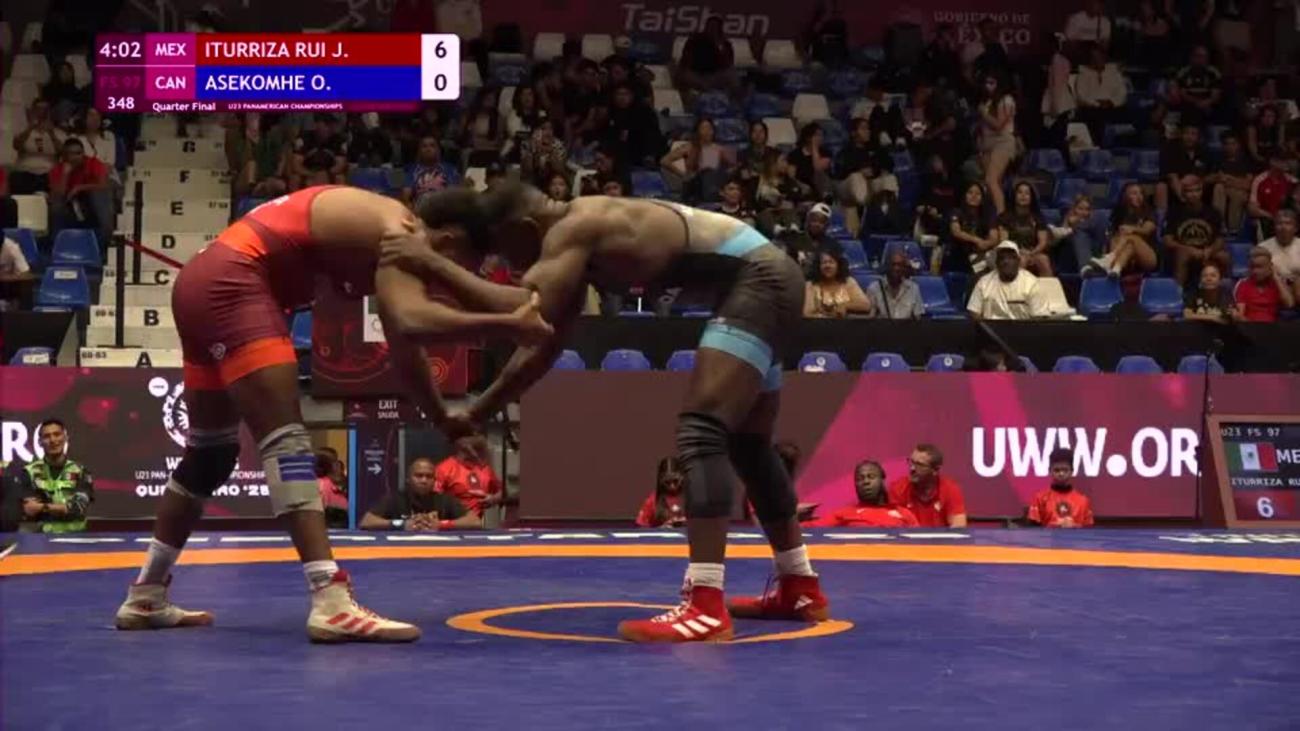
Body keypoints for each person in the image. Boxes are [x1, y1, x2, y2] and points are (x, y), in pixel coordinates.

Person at [114, 185, 552, 643]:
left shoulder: (392, 243)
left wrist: (443, 419)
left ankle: (146, 594)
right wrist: (506, 323)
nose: (450, 281)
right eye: (461, 265)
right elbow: (414, 322)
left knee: (211, 455)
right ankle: (330, 599)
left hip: (202, 281)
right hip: (233, 279)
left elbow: (405, 347)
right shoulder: (400, 230)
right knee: (286, 442)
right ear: (447, 240)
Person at [400, 183, 830, 643]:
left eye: (507, 252)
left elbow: (521, 309)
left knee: (703, 429)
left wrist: (433, 263)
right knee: (748, 444)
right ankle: (799, 587)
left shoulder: (575, 227)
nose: (511, 265)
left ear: (526, 227)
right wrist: (477, 412)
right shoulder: (578, 246)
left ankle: (706, 606)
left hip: (761, 282)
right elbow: (541, 346)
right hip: (767, 281)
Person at [15, 420, 94, 534]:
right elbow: (30, 510)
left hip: (76, 536)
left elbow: (78, 508)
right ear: (40, 442)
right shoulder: (29, 472)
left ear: (65, 438)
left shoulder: (81, 471)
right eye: (47, 436)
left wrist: (42, 507)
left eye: (57, 434)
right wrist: (63, 507)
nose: (52, 440)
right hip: (42, 537)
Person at [359, 457, 479, 531]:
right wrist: (402, 525)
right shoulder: (394, 499)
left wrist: (442, 524)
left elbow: (474, 521)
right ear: (408, 479)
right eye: (419, 476)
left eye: (429, 476)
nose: (424, 480)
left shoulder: (445, 500)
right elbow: (367, 521)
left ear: (435, 480)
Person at [803, 461, 919, 528]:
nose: (865, 481)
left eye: (871, 477)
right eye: (860, 478)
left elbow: (921, 545)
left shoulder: (904, 514)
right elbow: (808, 529)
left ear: (883, 480)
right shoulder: (844, 514)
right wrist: (794, 515)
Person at [886, 444, 967, 528]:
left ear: (935, 470)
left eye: (920, 465)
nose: (912, 468)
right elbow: (894, 527)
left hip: (940, 536)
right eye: (911, 462)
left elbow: (959, 527)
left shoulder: (950, 489)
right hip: (908, 536)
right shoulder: (898, 488)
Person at [967, 241, 1050, 320]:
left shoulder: (1032, 283)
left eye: (1011, 258)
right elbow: (974, 312)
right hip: (990, 329)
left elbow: (1040, 317)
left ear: (1018, 261)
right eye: (1002, 258)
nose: (1006, 261)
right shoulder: (984, 282)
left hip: (1024, 329)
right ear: (996, 262)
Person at [433, 434, 503, 520]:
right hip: (453, 522)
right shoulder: (444, 469)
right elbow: (435, 498)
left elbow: (503, 492)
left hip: (478, 523)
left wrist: (493, 499)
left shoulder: (485, 469)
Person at [1026, 448, 1095, 528]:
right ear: (1050, 471)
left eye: (1065, 470)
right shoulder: (1040, 498)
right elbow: (1033, 531)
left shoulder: (1083, 501)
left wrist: (1073, 527)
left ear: (1072, 471)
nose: (1061, 474)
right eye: (1057, 470)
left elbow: (1089, 531)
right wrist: (1055, 527)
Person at [803, 248, 872, 318]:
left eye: (831, 262)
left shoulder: (848, 282)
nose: (827, 266)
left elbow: (866, 305)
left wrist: (845, 306)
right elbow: (807, 313)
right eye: (824, 263)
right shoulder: (811, 285)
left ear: (839, 265)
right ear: (818, 266)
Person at [1234, 248, 1295, 322]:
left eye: (1259, 267)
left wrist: (1276, 278)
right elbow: (1240, 316)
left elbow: (1289, 304)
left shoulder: (1277, 284)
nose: (1255, 271)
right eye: (1252, 267)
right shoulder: (1243, 284)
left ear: (1270, 267)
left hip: (1273, 326)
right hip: (1249, 325)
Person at [867, 251, 924, 320]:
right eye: (893, 264)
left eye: (900, 265)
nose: (896, 268)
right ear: (887, 266)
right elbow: (870, 319)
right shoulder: (874, 288)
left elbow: (918, 319)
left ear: (904, 268)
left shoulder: (913, 289)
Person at [1260, 209, 1300, 301]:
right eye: (1279, 223)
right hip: (1274, 289)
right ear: (1274, 227)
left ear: (1296, 228)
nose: (1283, 227)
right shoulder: (1263, 247)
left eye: (1288, 223)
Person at [635, 457, 686, 528]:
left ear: (682, 477)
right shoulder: (653, 500)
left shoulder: (691, 497)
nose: (672, 486)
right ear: (661, 481)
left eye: (675, 481)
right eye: (667, 482)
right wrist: (661, 529)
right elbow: (642, 528)